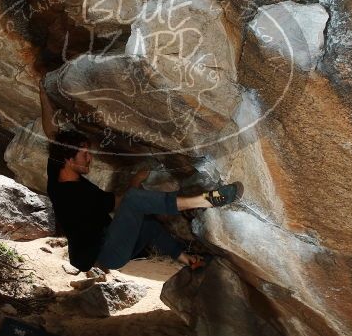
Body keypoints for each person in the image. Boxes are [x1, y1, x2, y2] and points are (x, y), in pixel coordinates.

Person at [39, 80, 242, 272]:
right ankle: (203, 201)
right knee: (134, 201)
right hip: (107, 253)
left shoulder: (58, 174)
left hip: (110, 241)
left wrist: (43, 93)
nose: (90, 159)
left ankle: (186, 260)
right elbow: (122, 202)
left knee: (148, 225)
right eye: (85, 154)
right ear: (68, 159)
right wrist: (135, 180)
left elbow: (52, 134)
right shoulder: (72, 196)